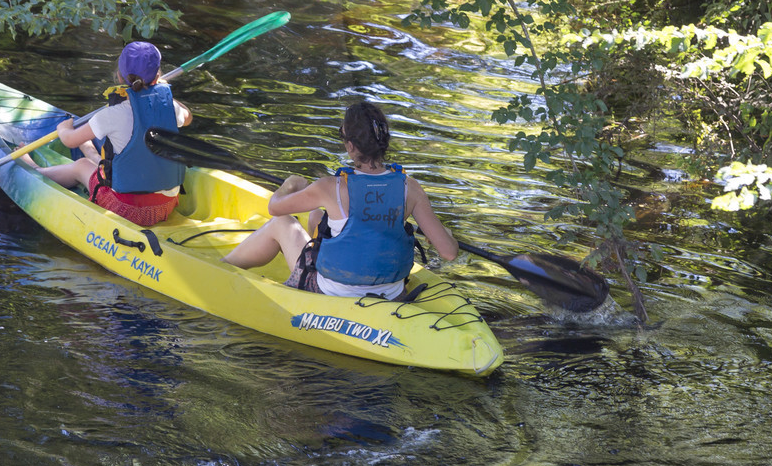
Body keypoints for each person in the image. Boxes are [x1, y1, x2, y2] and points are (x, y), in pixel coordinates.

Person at [224, 100, 458, 299]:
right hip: (391, 293)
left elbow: (274, 207)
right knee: (317, 216)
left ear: (351, 145)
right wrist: (444, 235)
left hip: (332, 292)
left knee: (282, 223)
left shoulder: (330, 187)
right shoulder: (410, 187)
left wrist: (290, 185)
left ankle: (222, 268)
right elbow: (449, 253)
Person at [36, 41, 193, 227]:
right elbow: (188, 117)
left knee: (81, 166)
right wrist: (165, 95)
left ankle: (35, 171)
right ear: (158, 76)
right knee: (113, 158)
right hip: (166, 205)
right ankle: (90, 151)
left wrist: (64, 127)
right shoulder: (171, 108)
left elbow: (69, 140)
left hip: (128, 210)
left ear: (119, 77)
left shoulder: (111, 115)